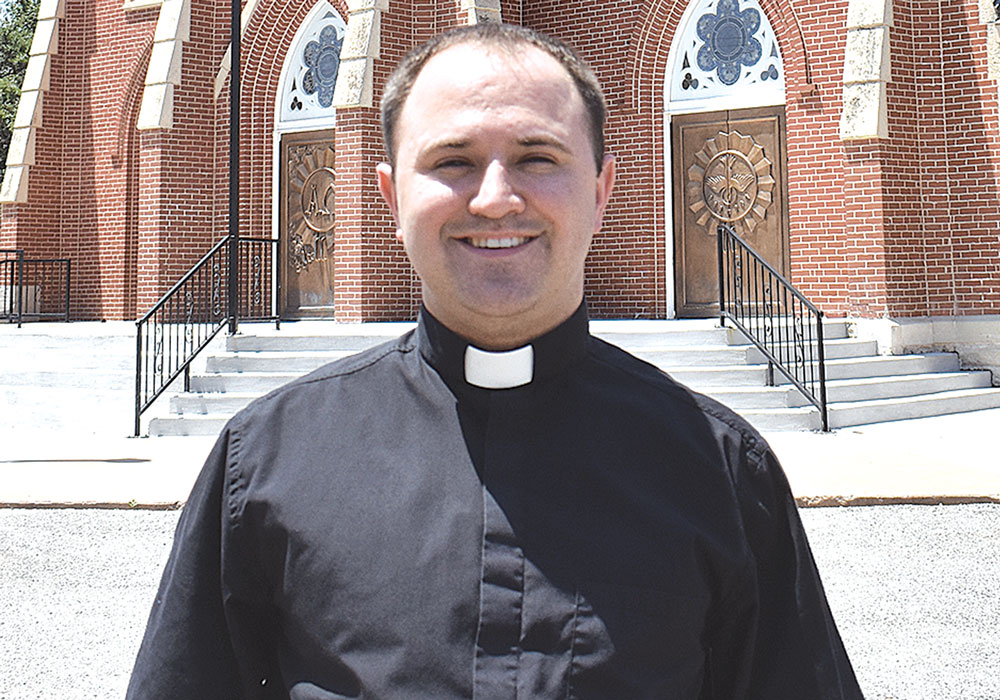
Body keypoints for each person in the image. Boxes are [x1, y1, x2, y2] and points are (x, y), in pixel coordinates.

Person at [127, 24, 864, 700]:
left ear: (603, 192)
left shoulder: (723, 473)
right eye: (453, 161)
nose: (495, 198)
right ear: (389, 197)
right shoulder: (264, 464)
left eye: (537, 158)